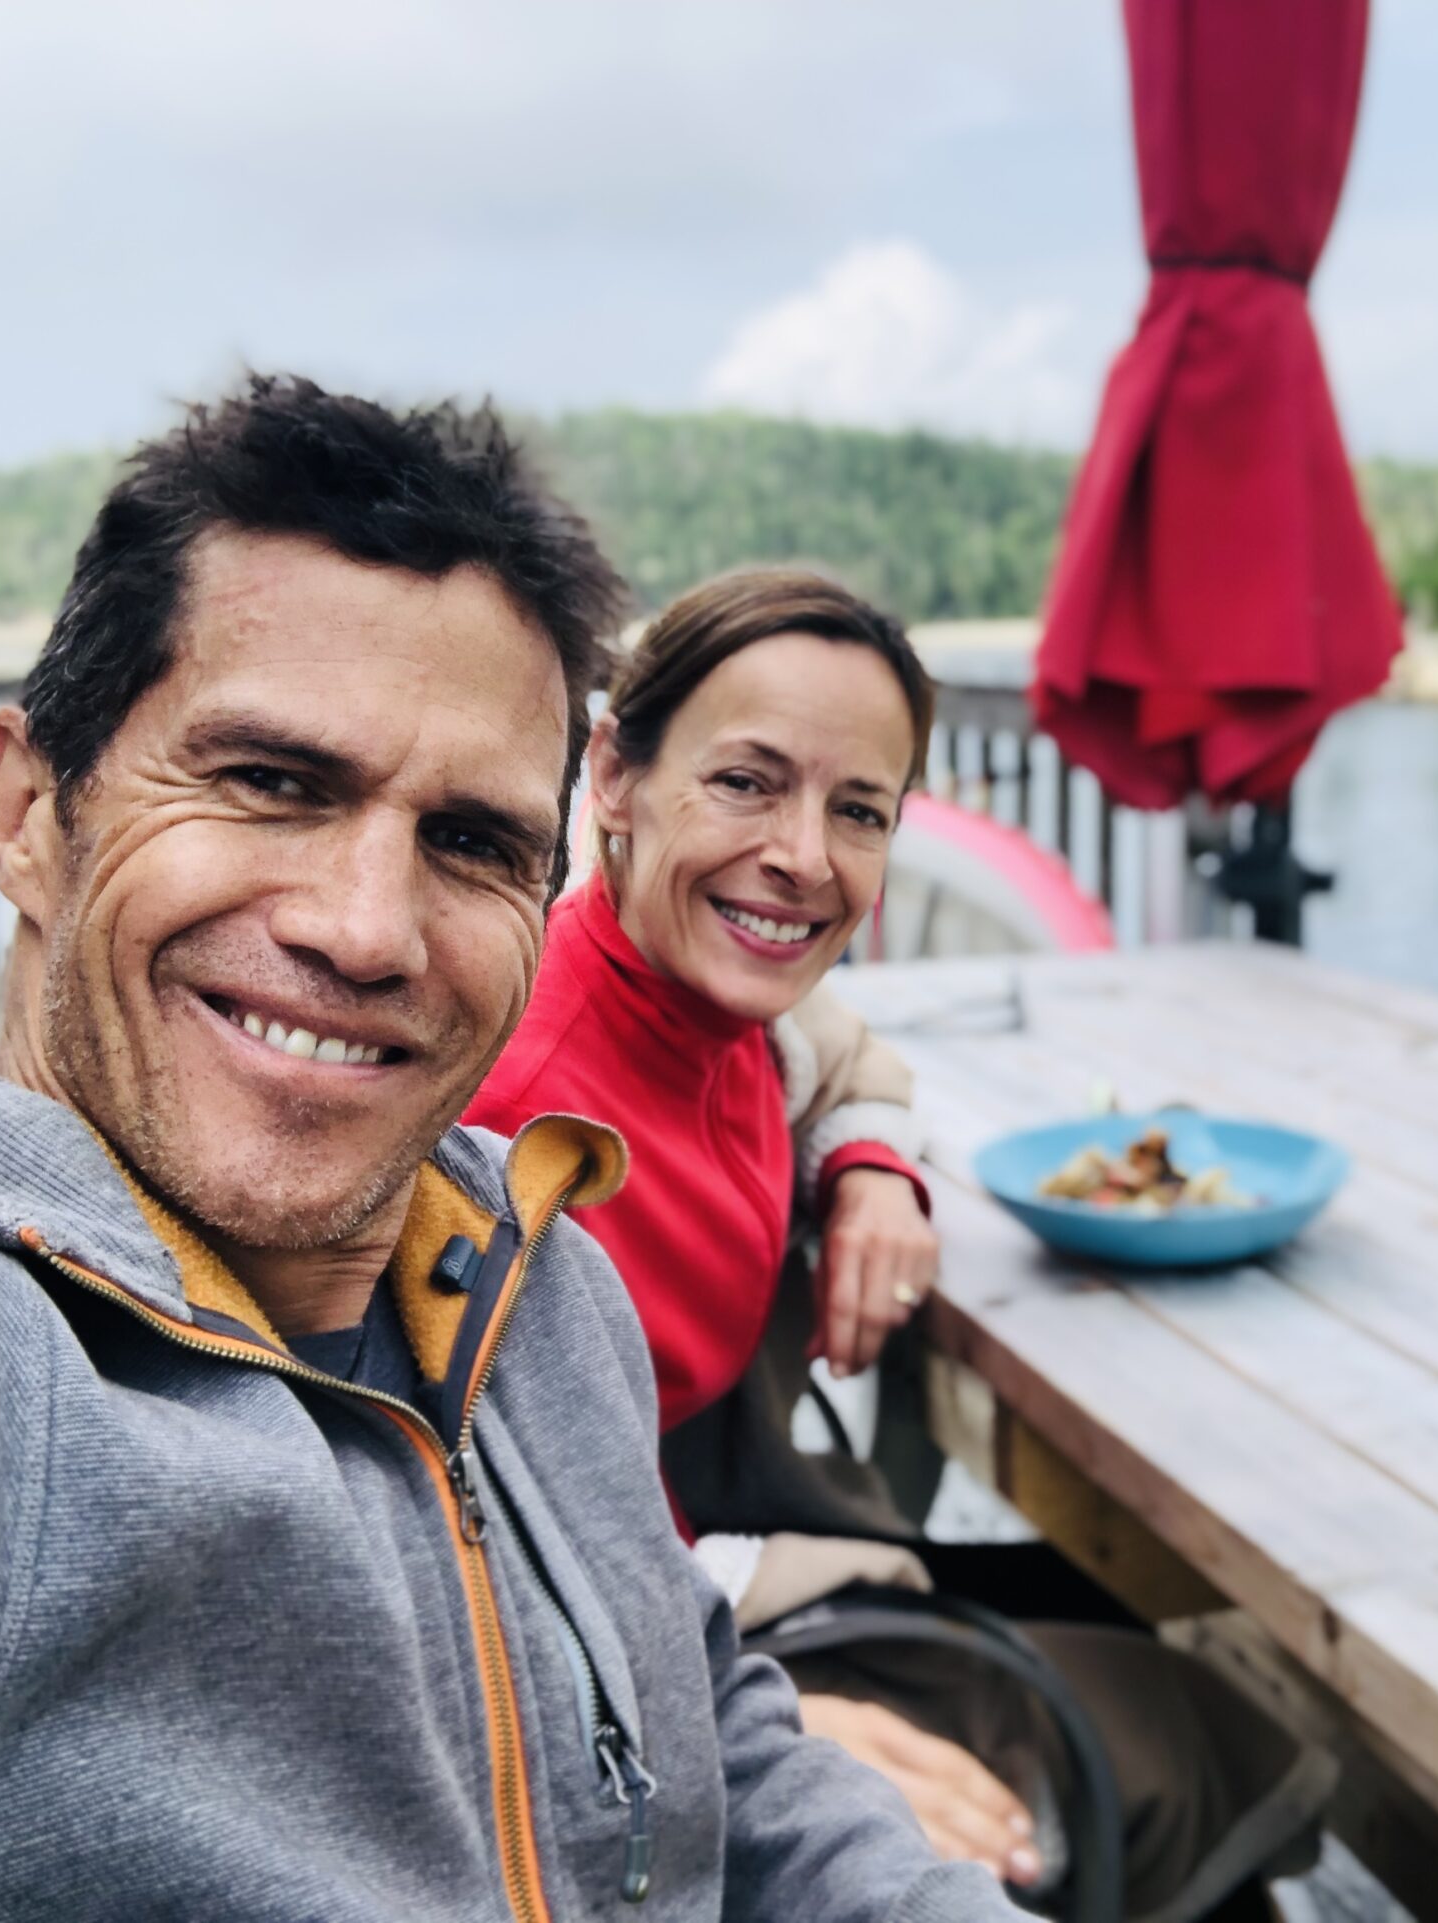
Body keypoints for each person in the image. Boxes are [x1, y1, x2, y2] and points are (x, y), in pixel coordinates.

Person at [0, 378, 1025, 1923]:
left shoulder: (536, 1271)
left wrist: (872, 1150)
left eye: (471, 843)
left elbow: (696, 1720)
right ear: (31, 809)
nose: (370, 931)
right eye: (269, 783)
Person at [465, 571, 1334, 1923]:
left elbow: (841, 1052)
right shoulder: (523, 1122)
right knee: (1187, 1727)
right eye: (747, 783)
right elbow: (472, 1546)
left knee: (1111, 1615)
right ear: (614, 779)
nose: (805, 857)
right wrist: (756, 1649)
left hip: (744, 1548)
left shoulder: (720, 1009)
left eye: (857, 810)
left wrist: (872, 1162)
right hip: (629, 1647)